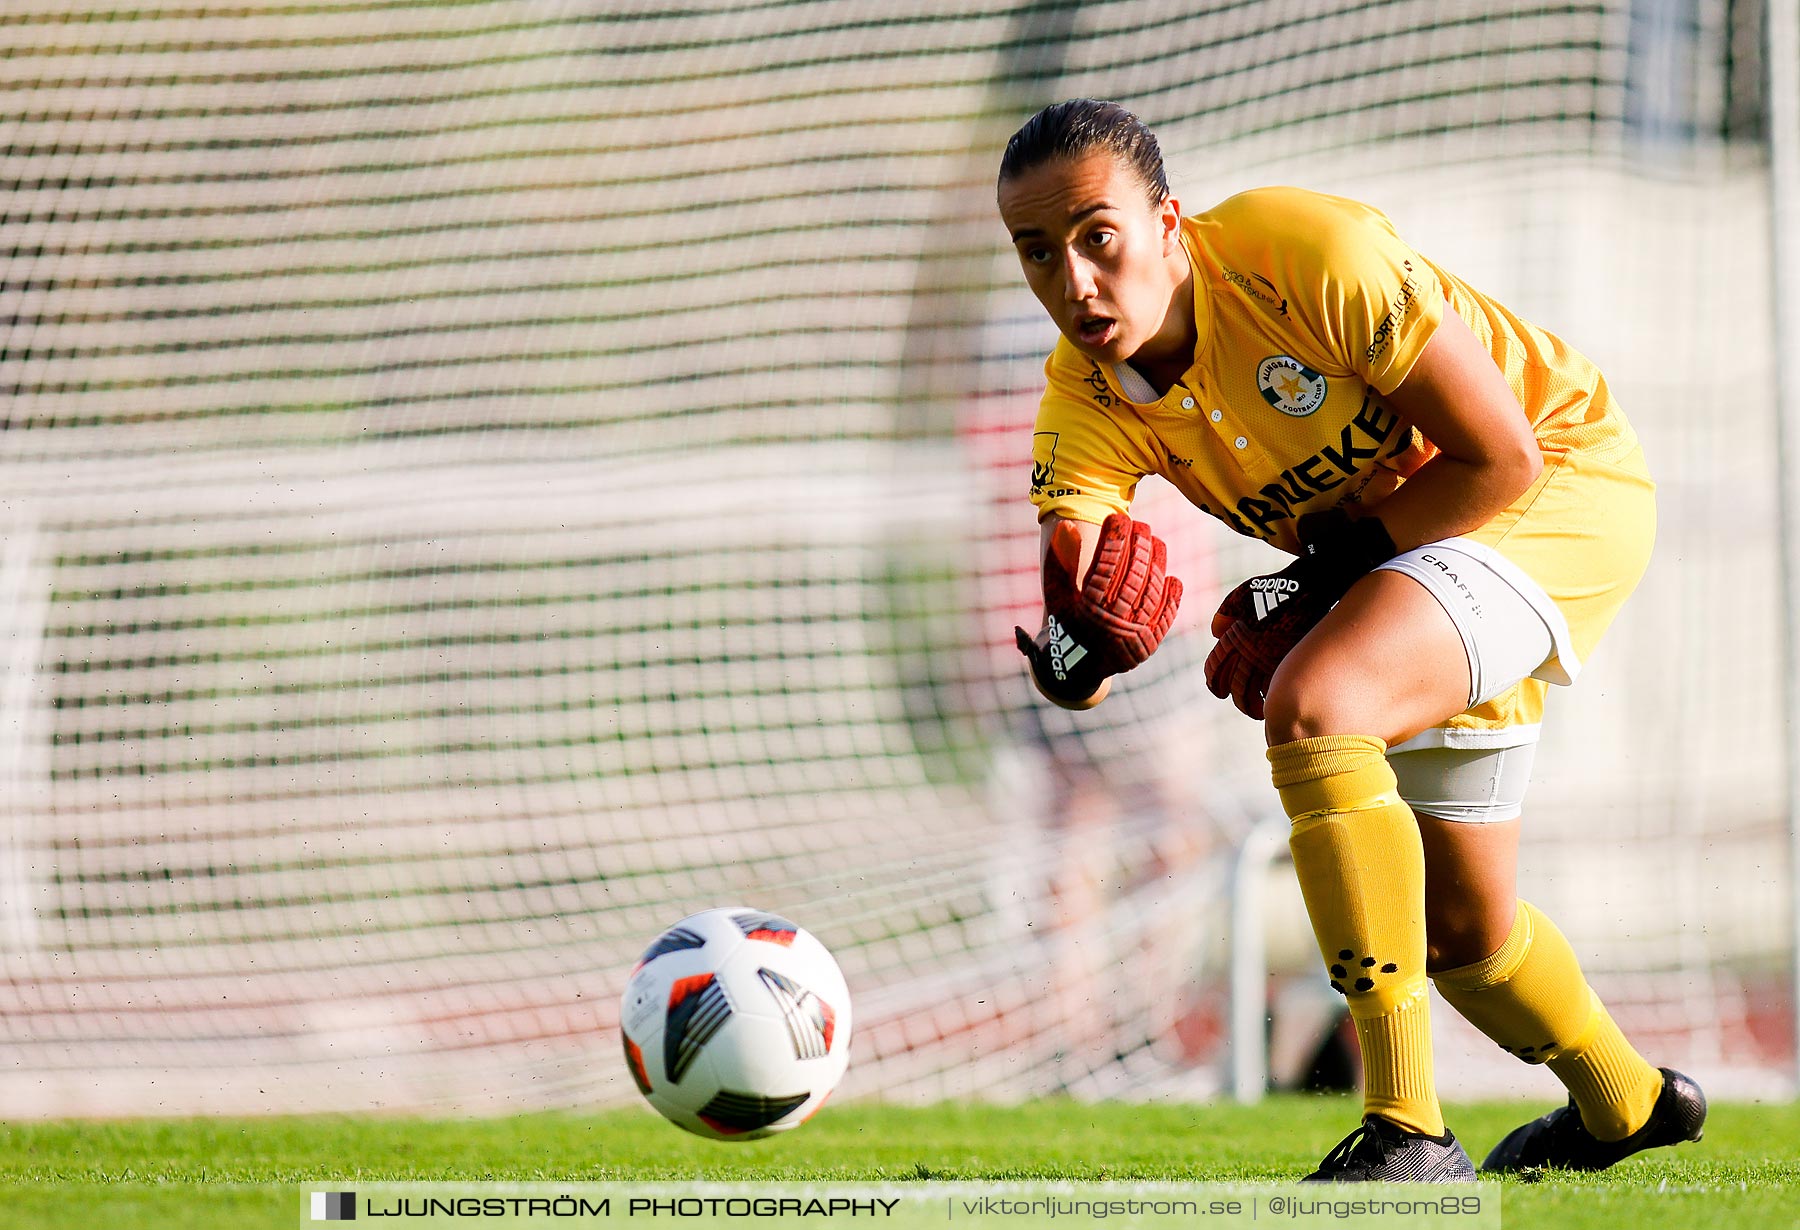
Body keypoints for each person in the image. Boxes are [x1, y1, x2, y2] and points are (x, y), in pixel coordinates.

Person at [997, 98, 1708, 1182]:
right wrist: (1075, 653)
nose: (1074, 281)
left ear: (1170, 222)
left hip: (1559, 481)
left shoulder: (1304, 254)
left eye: (1099, 237)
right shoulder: (1080, 398)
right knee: (1464, 937)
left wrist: (1309, 583)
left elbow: (1500, 457)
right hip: (1411, 566)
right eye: (1037, 252)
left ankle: (1408, 1128)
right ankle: (1631, 1104)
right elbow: (1072, 619)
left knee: (1318, 704)